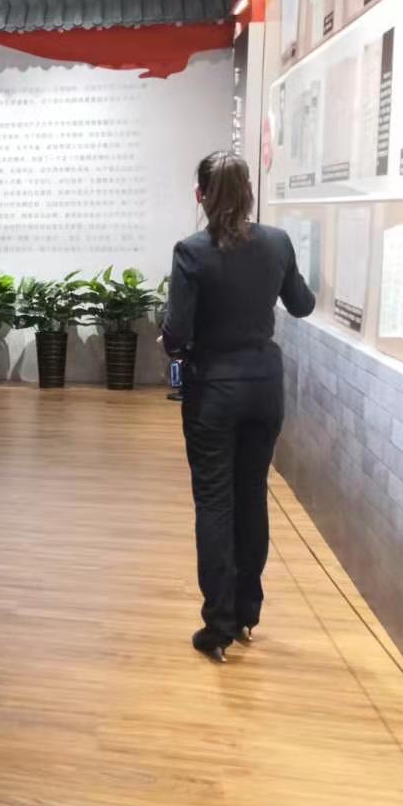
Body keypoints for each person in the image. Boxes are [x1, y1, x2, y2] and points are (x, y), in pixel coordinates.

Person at [162, 151, 315, 663]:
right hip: (264, 388)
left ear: (200, 195)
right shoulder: (277, 242)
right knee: (251, 495)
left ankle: (218, 625)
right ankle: (248, 610)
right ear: (250, 193)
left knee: (214, 502)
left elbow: (177, 332)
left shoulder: (191, 251)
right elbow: (302, 304)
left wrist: (173, 342)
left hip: (213, 392)